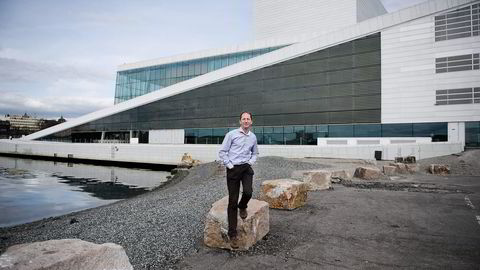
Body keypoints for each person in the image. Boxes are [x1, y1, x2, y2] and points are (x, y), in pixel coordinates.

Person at [218, 111, 258, 248]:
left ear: (251, 122)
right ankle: (233, 234)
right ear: (240, 121)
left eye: (248, 119)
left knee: (248, 192)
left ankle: (243, 206)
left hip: (246, 168)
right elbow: (222, 152)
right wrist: (229, 165)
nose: (246, 121)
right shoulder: (231, 135)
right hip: (233, 168)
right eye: (243, 119)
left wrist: (250, 162)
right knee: (232, 201)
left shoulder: (253, 137)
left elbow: (255, 152)